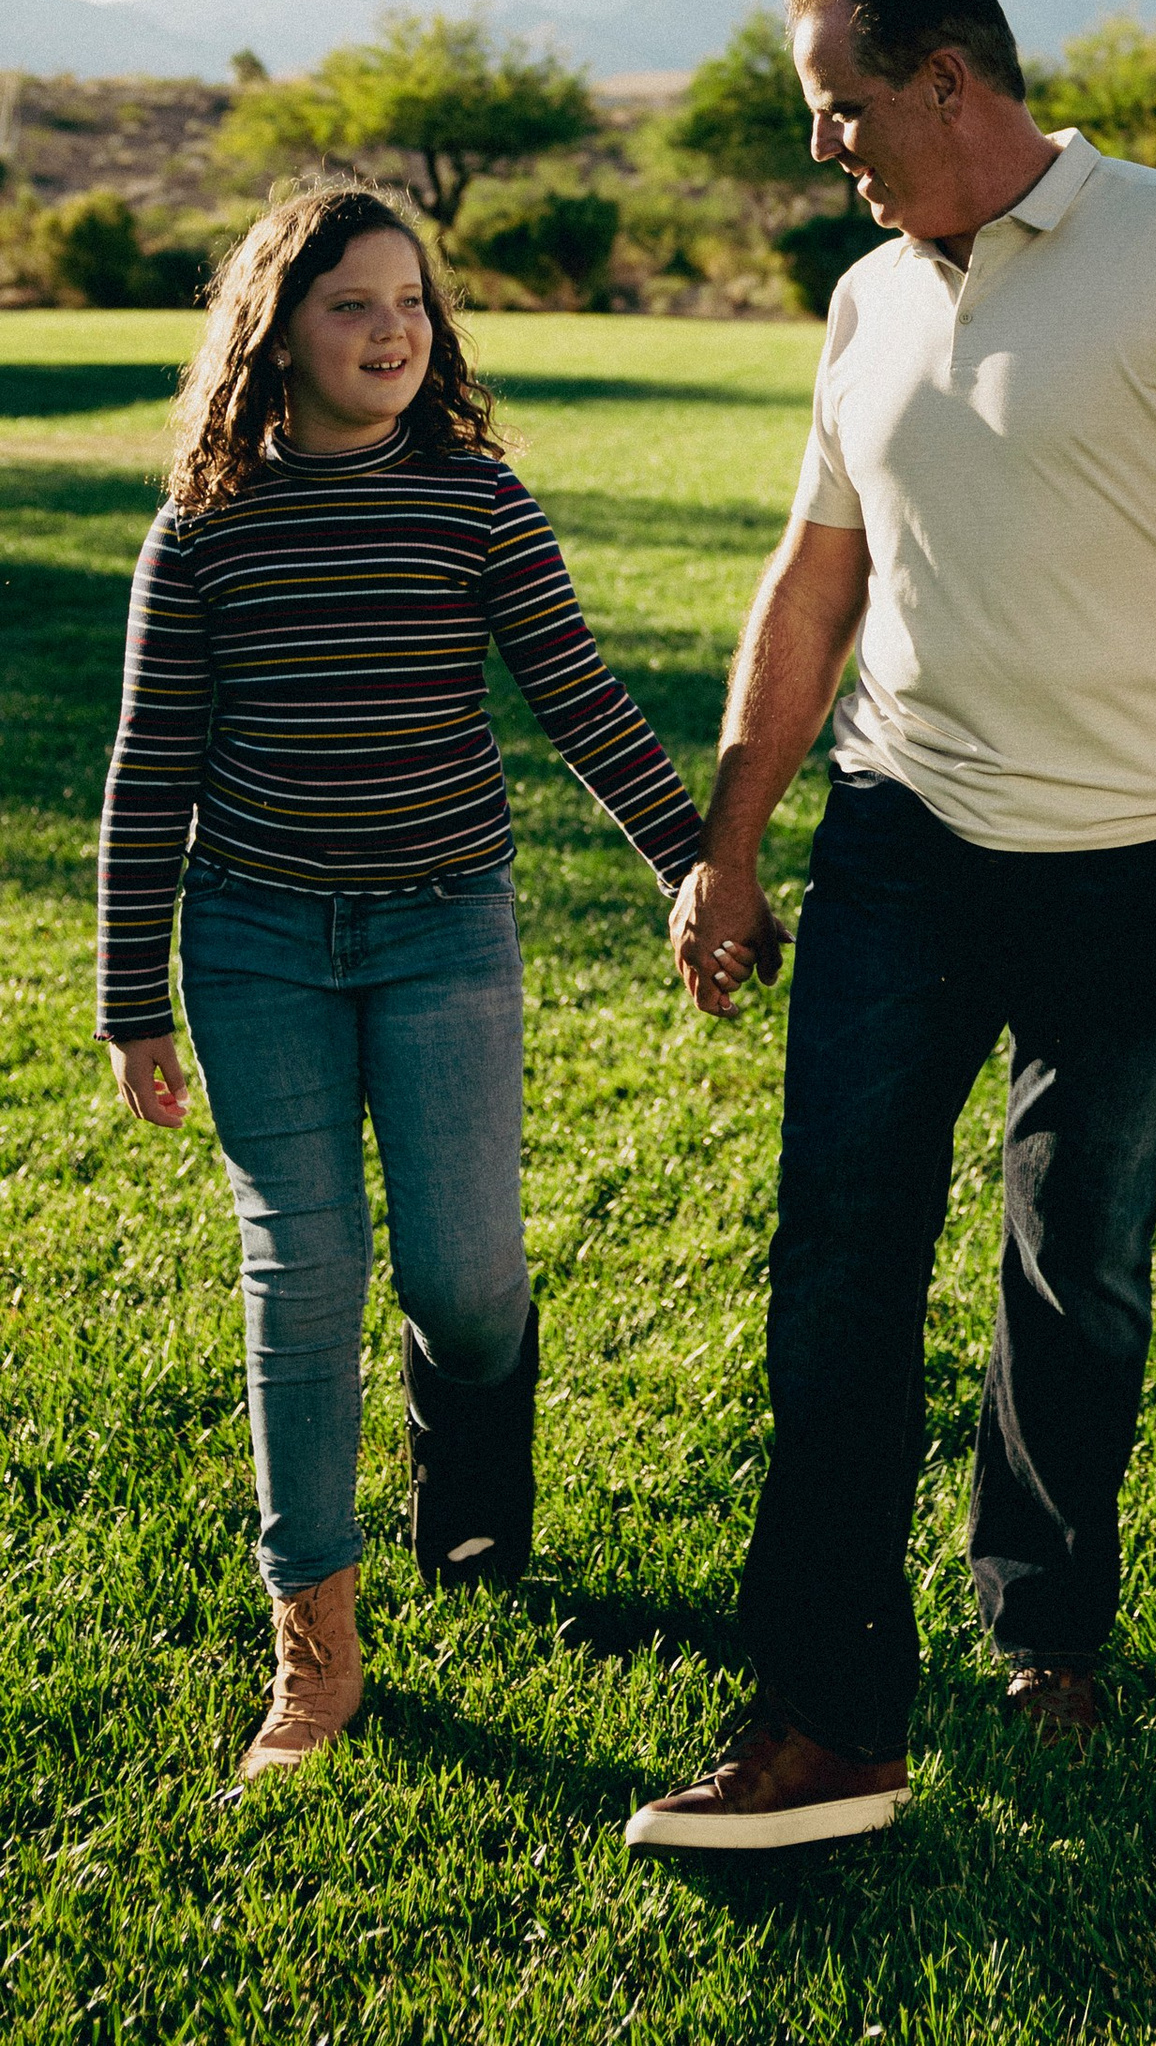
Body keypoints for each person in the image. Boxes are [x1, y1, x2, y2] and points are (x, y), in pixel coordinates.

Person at [625, 0, 1156, 1858]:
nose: (827, 146)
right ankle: (825, 1707)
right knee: (839, 1259)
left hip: (1136, 864)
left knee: (1076, 1266)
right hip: (907, 834)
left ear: (951, 79)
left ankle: (1046, 1617)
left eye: (843, 107)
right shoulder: (865, 298)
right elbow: (813, 580)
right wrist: (735, 834)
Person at [98, 183, 703, 1785]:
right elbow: (149, 769)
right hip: (256, 947)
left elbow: (578, 698)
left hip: (445, 936)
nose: (391, 332)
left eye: (413, 305)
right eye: (353, 304)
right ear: (276, 330)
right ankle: (313, 1651)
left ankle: (472, 1487)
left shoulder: (474, 502)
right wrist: (129, 998)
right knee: (302, 1283)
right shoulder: (206, 526)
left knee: (464, 1277)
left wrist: (693, 862)